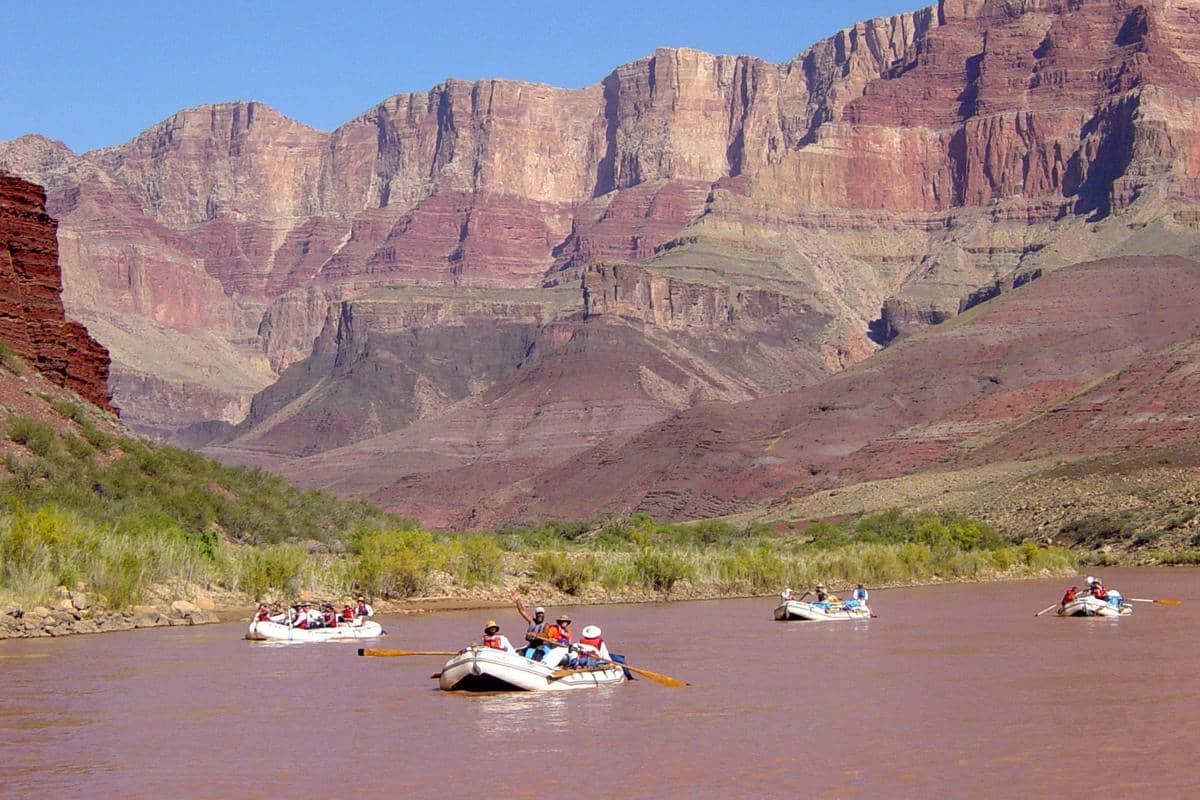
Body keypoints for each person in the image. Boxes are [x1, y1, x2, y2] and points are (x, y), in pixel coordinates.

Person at [513, 593, 548, 657]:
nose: (540, 615)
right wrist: (518, 600)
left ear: (543, 615)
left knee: (535, 656)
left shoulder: (546, 625)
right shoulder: (532, 621)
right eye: (538, 614)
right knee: (518, 653)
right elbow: (522, 611)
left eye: (541, 613)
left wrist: (535, 634)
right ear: (536, 615)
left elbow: (545, 635)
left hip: (540, 646)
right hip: (531, 645)